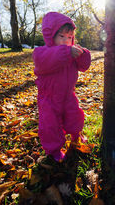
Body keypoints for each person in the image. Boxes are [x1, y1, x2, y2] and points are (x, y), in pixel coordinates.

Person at [33, 12, 91, 162]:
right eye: (62, 37)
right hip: (49, 98)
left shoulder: (70, 53)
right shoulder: (41, 53)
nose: (66, 41)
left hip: (68, 94)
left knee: (75, 116)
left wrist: (83, 54)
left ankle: (76, 135)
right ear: (50, 37)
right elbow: (45, 61)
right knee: (50, 124)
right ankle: (54, 150)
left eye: (70, 37)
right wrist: (67, 52)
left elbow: (84, 66)